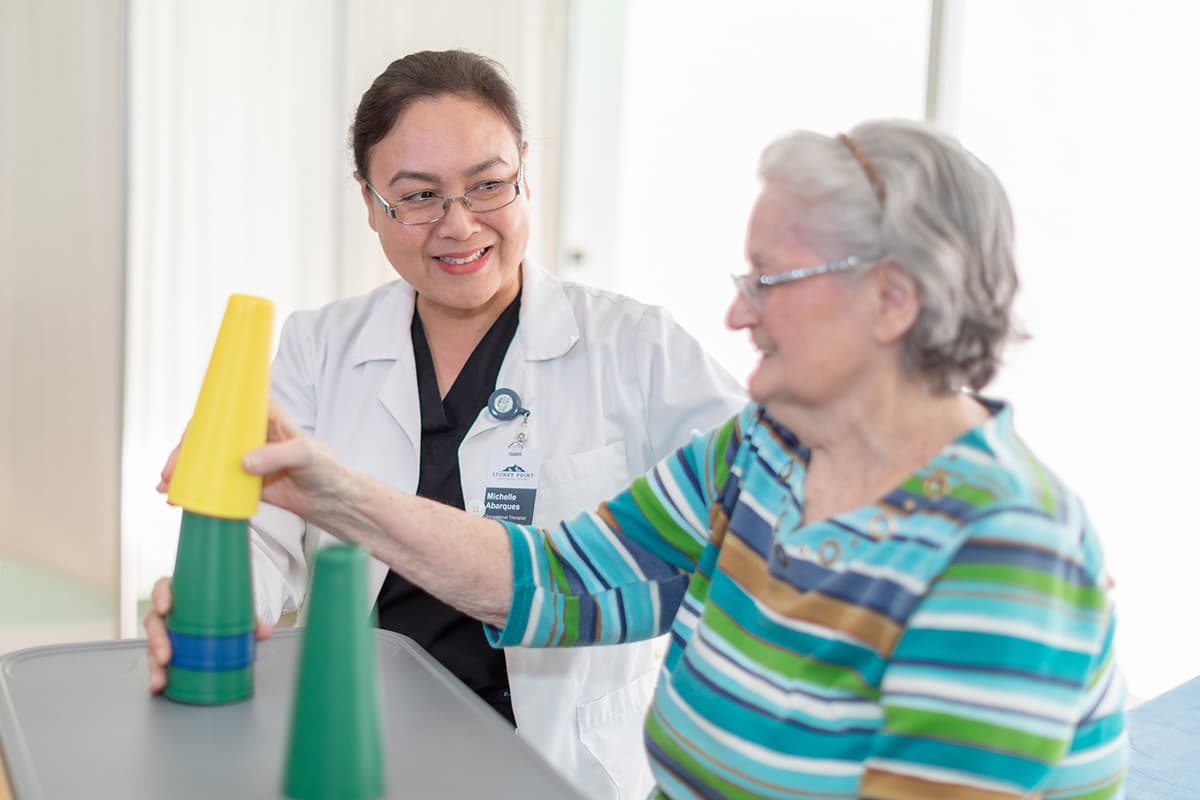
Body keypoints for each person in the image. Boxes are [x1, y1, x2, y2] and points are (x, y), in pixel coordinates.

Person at [173, 118, 1130, 798]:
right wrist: (328, 490)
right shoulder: (756, 458)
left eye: (771, 282)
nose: (737, 313)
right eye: (419, 197)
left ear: (892, 299)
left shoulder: (1005, 549)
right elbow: (551, 577)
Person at [144, 49, 745, 800]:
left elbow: (764, 506)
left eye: (489, 185)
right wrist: (218, 600)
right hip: (358, 725)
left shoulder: (640, 350)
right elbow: (262, 527)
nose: (459, 226)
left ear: (525, 170)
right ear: (370, 203)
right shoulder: (320, 346)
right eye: (419, 196)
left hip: (556, 757)